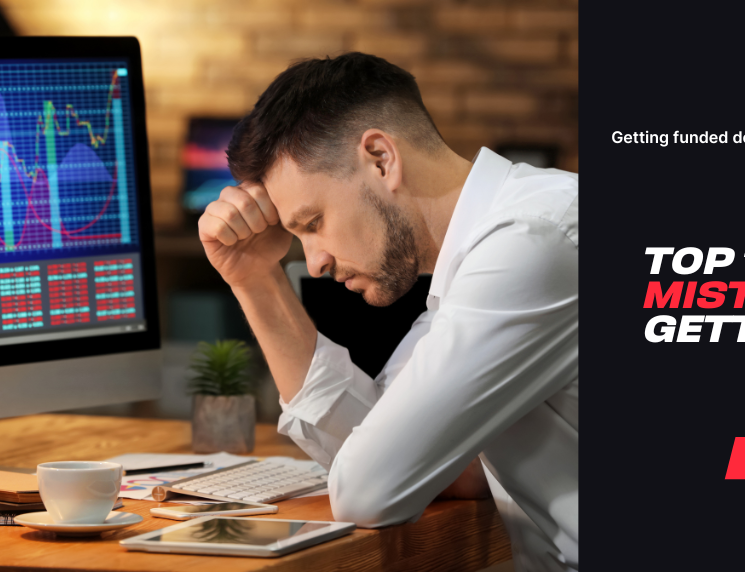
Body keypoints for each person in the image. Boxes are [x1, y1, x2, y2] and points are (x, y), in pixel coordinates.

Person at [198, 53, 578, 571]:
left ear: (380, 158)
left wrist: (393, 466)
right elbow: (411, 454)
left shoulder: (533, 242)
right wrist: (255, 279)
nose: (315, 262)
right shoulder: (476, 265)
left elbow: (369, 488)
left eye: (312, 222)